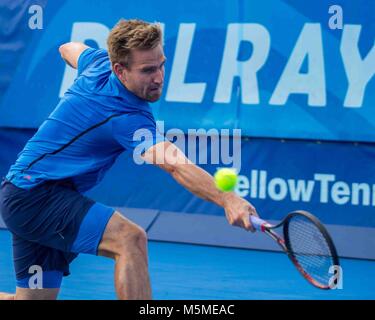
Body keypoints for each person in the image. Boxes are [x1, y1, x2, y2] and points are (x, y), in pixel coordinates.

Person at [0, 19, 258, 300]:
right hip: (36, 196)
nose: (159, 77)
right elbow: (174, 163)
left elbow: (67, 48)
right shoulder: (127, 118)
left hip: (23, 193)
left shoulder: (97, 63)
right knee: (129, 239)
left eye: (161, 64)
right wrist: (228, 199)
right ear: (120, 70)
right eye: (147, 70)